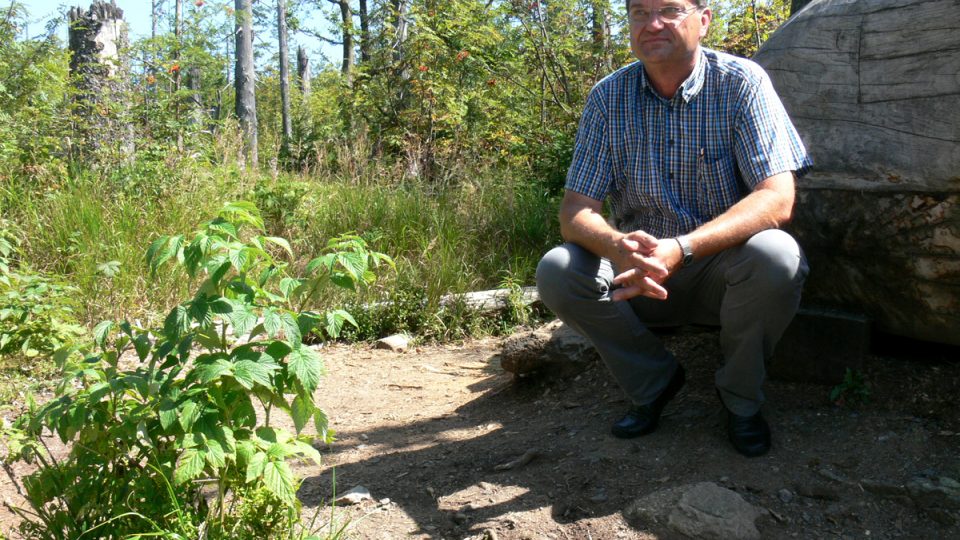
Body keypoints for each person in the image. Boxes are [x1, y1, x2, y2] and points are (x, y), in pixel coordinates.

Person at [535, 0, 811, 457]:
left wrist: (682, 248)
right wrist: (618, 246)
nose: (652, 24)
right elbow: (574, 212)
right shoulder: (608, 97)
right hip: (638, 276)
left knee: (777, 255)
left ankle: (741, 400)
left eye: (669, 10)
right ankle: (653, 381)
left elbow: (777, 199)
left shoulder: (742, 84)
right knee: (558, 269)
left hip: (720, 274)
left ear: (704, 20)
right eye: (640, 12)